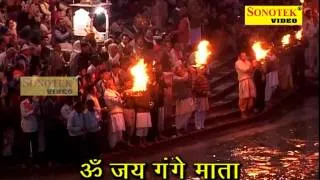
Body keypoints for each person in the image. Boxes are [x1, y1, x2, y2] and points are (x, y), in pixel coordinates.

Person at [104, 79, 126, 150]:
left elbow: (120, 101)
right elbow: (115, 100)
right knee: (114, 131)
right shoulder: (107, 92)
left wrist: (123, 98)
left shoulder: (115, 92)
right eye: (112, 84)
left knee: (120, 130)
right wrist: (121, 96)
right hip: (113, 114)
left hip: (119, 113)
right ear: (108, 85)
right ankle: (113, 146)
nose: (114, 85)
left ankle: (119, 144)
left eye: (113, 83)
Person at [173, 64, 194, 135]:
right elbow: (184, 79)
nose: (181, 70)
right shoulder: (175, 78)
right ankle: (178, 129)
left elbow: (190, 83)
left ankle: (185, 127)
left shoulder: (185, 75)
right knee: (180, 115)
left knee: (189, 112)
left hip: (188, 96)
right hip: (180, 99)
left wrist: (190, 73)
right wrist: (188, 71)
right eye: (179, 69)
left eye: (181, 69)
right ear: (176, 71)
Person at [235, 52, 256, 119]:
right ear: (240, 57)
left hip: (249, 80)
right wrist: (252, 66)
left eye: (245, 55)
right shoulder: (237, 63)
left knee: (251, 97)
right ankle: (243, 112)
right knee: (244, 97)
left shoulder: (247, 62)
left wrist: (254, 66)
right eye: (243, 56)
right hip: (243, 81)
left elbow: (251, 71)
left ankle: (248, 111)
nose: (245, 57)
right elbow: (245, 70)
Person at [20, 96, 39, 167]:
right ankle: (25, 162)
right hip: (26, 128)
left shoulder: (36, 102)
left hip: (34, 127)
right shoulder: (24, 102)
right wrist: (32, 112)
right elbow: (24, 114)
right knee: (26, 146)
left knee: (35, 146)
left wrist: (36, 111)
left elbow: (38, 113)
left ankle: (35, 162)